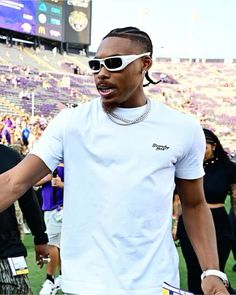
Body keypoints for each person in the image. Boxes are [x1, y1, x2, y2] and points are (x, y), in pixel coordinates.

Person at [0, 26, 230, 295]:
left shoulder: (182, 128)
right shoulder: (71, 122)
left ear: (145, 64)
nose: (102, 73)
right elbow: (14, 182)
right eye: (96, 64)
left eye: (114, 63)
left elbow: (193, 203)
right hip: (85, 284)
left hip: (156, 284)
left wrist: (212, 270)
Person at [177, 128, 236, 294]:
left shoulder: (228, 168)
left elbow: (235, 198)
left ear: (214, 146)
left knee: (216, 273)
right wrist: (174, 226)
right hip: (190, 223)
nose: (201, 150)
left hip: (220, 223)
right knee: (193, 271)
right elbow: (176, 199)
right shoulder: (188, 167)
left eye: (205, 146)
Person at [0, 144, 49, 294]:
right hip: (8, 250)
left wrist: (40, 237)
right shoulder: (9, 155)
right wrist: (40, 237)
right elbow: (29, 201)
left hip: (8, 251)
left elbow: (28, 200)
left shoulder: (9, 156)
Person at [35, 163, 64, 295]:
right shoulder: (49, 165)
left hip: (57, 209)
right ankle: (62, 278)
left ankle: (50, 280)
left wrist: (61, 184)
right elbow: (34, 182)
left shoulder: (67, 165)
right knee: (58, 245)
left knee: (52, 245)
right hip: (50, 209)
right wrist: (46, 178)